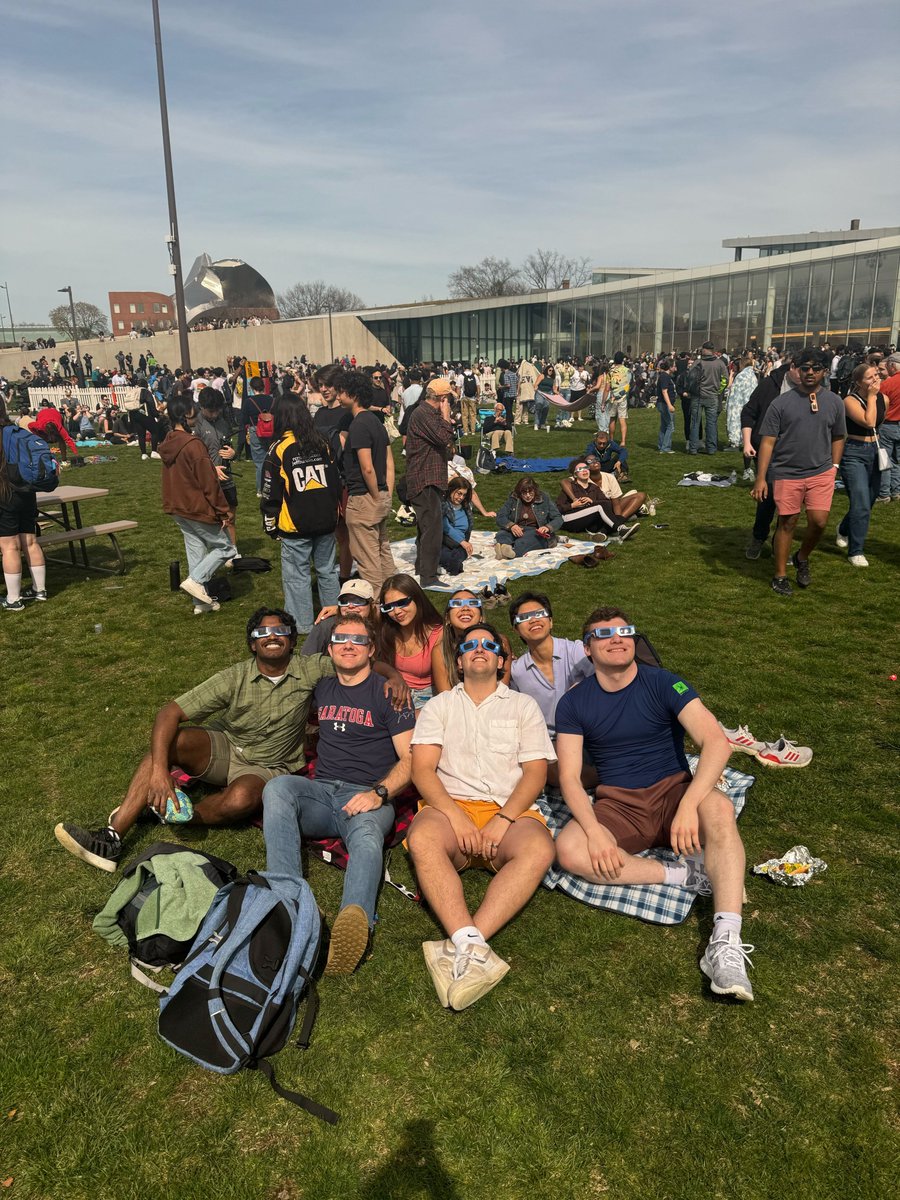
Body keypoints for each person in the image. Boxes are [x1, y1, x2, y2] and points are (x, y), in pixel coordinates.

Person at [554, 607, 755, 1001]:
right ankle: (685, 876)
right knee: (569, 849)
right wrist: (594, 832)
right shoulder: (573, 703)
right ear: (586, 648)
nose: (617, 638)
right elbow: (568, 778)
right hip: (618, 804)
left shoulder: (665, 682)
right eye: (604, 634)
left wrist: (687, 804)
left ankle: (726, 940)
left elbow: (716, 742)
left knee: (718, 809)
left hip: (674, 791)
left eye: (625, 631)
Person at [408, 621, 556, 1010]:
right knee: (421, 837)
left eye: (488, 645)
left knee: (540, 849)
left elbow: (536, 773)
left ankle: (467, 942)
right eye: (469, 645)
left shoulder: (523, 706)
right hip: (449, 807)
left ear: (501, 661)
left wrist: (503, 819)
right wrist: (455, 817)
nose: (478, 649)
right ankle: (470, 943)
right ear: (458, 663)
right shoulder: (439, 706)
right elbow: (422, 770)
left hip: (509, 811)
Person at [262, 612, 416, 975]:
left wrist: (379, 793)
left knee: (365, 838)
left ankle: (356, 920)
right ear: (330, 649)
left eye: (358, 640)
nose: (349, 645)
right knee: (277, 788)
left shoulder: (389, 693)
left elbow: (412, 758)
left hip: (367, 796)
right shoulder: (322, 687)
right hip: (320, 794)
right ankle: (286, 901)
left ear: (371, 649)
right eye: (341, 640)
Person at [750, 349, 847, 596]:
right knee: (787, 522)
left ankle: (802, 556)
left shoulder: (834, 401)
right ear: (797, 370)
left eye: (815, 368)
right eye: (805, 368)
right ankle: (780, 575)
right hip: (786, 472)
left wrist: (834, 467)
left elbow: (838, 435)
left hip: (821, 471)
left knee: (819, 521)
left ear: (825, 371)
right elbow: (767, 442)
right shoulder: (781, 403)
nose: (810, 373)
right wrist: (761, 478)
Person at [261, 393, 342, 631]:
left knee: (298, 577)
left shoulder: (279, 448)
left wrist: (270, 522)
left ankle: (302, 625)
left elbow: (270, 491)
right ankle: (334, 620)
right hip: (327, 521)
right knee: (327, 572)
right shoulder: (323, 442)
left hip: (296, 526)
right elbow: (336, 482)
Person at [159, 394, 237, 614]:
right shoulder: (193, 444)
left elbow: (189, 472)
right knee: (226, 548)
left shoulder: (169, 440)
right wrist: (223, 512)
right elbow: (208, 483)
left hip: (177, 506)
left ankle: (200, 603)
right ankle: (196, 580)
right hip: (194, 506)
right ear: (186, 414)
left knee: (196, 551)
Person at [339, 372, 396, 592]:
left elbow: (367, 467)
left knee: (368, 561)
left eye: (342, 391)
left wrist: (374, 495)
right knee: (383, 554)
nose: (338, 396)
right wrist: (385, 493)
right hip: (379, 494)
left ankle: (379, 608)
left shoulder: (359, 424)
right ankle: (395, 599)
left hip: (365, 497)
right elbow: (389, 463)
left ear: (353, 395)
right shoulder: (375, 422)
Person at [741, 357, 799, 559]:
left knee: (790, 502)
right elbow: (749, 412)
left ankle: (780, 545)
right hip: (769, 449)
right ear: (792, 368)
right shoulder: (770, 384)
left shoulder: (815, 390)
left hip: (797, 452)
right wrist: (747, 442)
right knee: (768, 497)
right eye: (803, 370)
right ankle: (759, 537)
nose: (808, 375)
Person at [405, 377, 456, 589]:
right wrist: (446, 416)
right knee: (432, 529)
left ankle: (422, 567)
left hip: (429, 477)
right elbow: (444, 438)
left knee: (426, 526)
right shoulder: (424, 414)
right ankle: (428, 576)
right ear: (443, 398)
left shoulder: (426, 413)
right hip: (424, 478)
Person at [835, 362, 886, 568]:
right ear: (858, 383)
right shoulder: (849, 400)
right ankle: (856, 550)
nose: (875, 379)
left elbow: (880, 424)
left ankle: (844, 527)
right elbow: (869, 421)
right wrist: (872, 397)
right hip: (854, 452)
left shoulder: (884, 398)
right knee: (861, 502)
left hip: (876, 451)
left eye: (876, 375)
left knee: (869, 501)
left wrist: (876, 397)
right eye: (869, 377)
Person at [0, 399, 49, 611]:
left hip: (5, 494)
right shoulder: (16, 431)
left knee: (9, 546)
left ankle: (13, 599)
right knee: (30, 541)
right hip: (27, 491)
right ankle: (40, 590)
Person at [377, 573, 443, 709]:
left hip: (427, 700)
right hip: (392, 693)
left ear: (417, 598)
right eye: (388, 607)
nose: (396, 612)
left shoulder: (439, 634)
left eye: (401, 603)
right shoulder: (387, 628)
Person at [431, 588, 512, 693]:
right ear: (447, 618)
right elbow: (445, 697)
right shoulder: (440, 652)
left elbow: (502, 692)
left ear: (481, 617)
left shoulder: (500, 643)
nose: (465, 608)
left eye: (473, 603)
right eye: (457, 603)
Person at [194, 386, 239, 553]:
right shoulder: (196, 424)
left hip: (226, 478)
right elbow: (193, 457)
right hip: (206, 480)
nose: (214, 414)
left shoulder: (223, 423)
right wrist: (210, 468)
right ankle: (208, 554)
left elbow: (229, 446)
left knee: (230, 518)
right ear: (202, 407)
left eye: (216, 411)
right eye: (210, 411)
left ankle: (233, 552)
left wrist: (233, 453)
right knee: (208, 521)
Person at [556, 459, 638, 541]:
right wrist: (572, 505)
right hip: (568, 519)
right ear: (575, 475)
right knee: (600, 507)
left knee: (613, 514)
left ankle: (601, 533)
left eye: (586, 468)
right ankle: (620, 529)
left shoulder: (594, 487)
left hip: (587, 521)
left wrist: (592, 501)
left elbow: (607, 503)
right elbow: (557, 509)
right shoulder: (571, 487)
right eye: (580, 469)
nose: (584, 470)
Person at [300, 578, 376, 657]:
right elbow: (305, 659)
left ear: (371, 605)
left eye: (359, 601)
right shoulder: (325, 626)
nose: (350, 605)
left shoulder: (381, 623)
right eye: (344, 601)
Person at [494, 476, 563, 559]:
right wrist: (511, 526)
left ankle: (513, 552)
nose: (528, 496)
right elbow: (500, 516)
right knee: (502, 534)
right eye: (524, 493)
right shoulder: (513, 498)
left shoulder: (544, 498)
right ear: (519, 492)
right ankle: (504, 547)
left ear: (535, 491)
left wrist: (547, 527)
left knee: (525, 541)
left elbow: (558, 518)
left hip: (535, 531)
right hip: (518, 528)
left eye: (530, 493)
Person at [687, 343, 728, 455]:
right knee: (711, 423)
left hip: (697, 397)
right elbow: (725, 380)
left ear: (705, 350)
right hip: (712, 397)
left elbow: (690, 378)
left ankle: (693, 448)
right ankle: (711, 448)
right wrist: (717, 392)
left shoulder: (697, 363)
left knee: (695, 422)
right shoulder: (720, 363)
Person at [243, 375, 275, 495]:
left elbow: (244, 419)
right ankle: (273, 485)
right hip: (271, 431)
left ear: (252, 388)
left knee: (259, 462)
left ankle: (260, 489)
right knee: (272, 459)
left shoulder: (248, 402)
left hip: (255, 430)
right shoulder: (271, 400)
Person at [877, 351, 900, 502]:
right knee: (898, 460)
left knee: (885, 459)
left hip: (888, 424)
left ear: (892, 365)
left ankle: (884, 492)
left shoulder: (887, 384)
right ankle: (896, 491)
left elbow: (877, 406)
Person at [441, 476, 475, 576]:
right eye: (459, 493)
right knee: (442, 553)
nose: (461, 497)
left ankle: (453, 564)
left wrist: (464, 542)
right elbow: (446, 527)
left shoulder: (465, 506)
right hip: (446, 541)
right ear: (451, 490)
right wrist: (462, 541)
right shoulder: (444, 505)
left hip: (461, 544)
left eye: (464, 495)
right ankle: (453, 564)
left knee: (460, 554)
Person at [727, 352, 757, 456]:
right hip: (749, 403)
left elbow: (735, 392)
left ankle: (734, 443)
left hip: (738, 404)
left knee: (735, 422)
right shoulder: (752, 376)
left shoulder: (741, 376)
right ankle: (745, 441)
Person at [607, 352, 632, 444]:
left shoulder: (610, 371)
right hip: (623, 397)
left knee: (612, 419)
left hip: (613, 397)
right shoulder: (627, 370)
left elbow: (608, 386)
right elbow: (629, 385)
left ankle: (611, 439)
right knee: (622, 419)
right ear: (623, 360)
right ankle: (623, 441)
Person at [655, 357, 677, 453]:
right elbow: (664, 391)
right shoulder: (665, 376)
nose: (675, 367)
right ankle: (666, 447)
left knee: (664, 425)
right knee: (670, 426)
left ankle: (661, 446)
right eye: (674, 366)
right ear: (670, 367)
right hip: (664, 404)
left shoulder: (666, 376)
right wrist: (669, 405)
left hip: (663, 404)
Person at [533, 367, 557, 432]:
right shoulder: (542, 376)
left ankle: (542, 424)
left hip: (548, 394)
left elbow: (554, 389)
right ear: (547, 370)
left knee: (546, 408)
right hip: (540, 392)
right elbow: (536, 384)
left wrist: (558, 394)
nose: (551, 371)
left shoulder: (552, 379)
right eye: (550, 370)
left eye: (552, 371)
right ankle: (536, 424)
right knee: (539, 406)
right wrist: (535, 387)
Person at [459, 366, 480, 435]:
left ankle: (465, 431)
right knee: (473, 414)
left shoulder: (461, 376)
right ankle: (473, 431)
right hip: (472, 397)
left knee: (465, 415)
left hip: (464, 397)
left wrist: (458, 397)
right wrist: (478, 396)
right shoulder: (475, 376)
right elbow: (478, 387)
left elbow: (458, 387)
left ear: (464, 368)